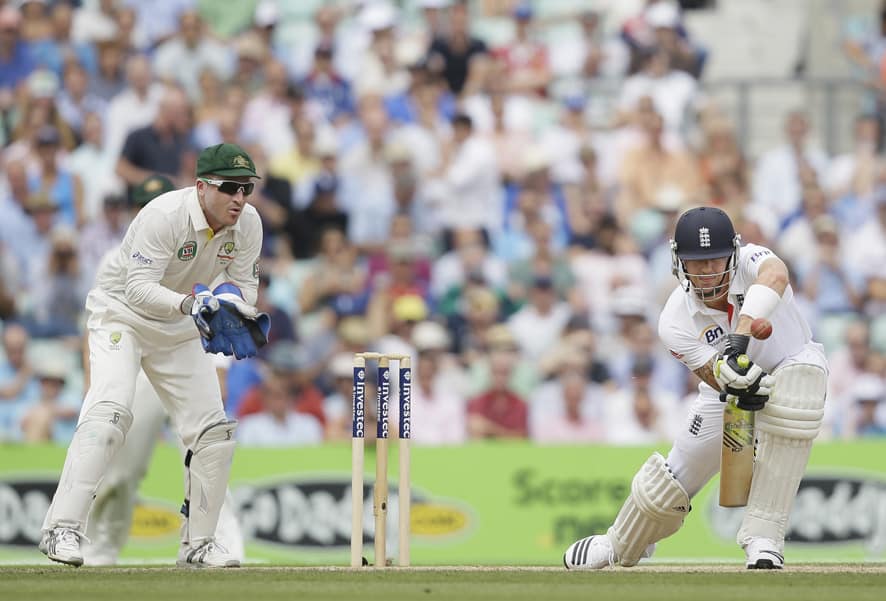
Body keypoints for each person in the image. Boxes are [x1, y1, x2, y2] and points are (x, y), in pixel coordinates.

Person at [39, 143, 266, 568]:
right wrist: (193, 305)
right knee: (109, 413)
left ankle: (198, 545)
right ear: (202, 187)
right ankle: (62, 529)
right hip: (120, 315)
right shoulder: (163, 215)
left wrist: (233, 307)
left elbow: (243, 285)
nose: (239, 199)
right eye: (230, 188)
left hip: (179, 327)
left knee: (212, 431)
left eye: (247, 189)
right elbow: (138, 289)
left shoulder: (248, 224)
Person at [564, 206, 827, 570]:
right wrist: (730, 375)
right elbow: (709, 371)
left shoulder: (753, 260)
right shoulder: (674, 319)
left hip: (790, 362)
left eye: (716, 260)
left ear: (733, 253)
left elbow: (776, 274)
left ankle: (764, 539)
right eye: (697, 263)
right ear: (678, 263)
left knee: (802, 386)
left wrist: (740, 337)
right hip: (730, 392)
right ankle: (618, 543)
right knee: (664, 491)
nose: (708, 272)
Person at [80, 175, 245, 566]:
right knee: (121, 468)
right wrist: (95, 389)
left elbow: (216, 310)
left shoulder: (203, 248)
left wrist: (218, 367)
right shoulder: (114, 258)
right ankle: (102, 549)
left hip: (181, 358)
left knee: (205, 451)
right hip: (134, 368)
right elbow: (100, 327)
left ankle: (214, 543)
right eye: (143, 203)